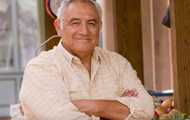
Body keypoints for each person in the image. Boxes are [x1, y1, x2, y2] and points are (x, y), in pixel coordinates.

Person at [19, 0, 154, 120]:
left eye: (91, 23)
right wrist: (115, 108)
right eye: (75, 23)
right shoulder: (40, 67)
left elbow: (147, 109)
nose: (84, 31)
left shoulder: (117, 63)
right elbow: (59, 116)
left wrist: (87, 105)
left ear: (100, 27)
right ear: (58, 27)